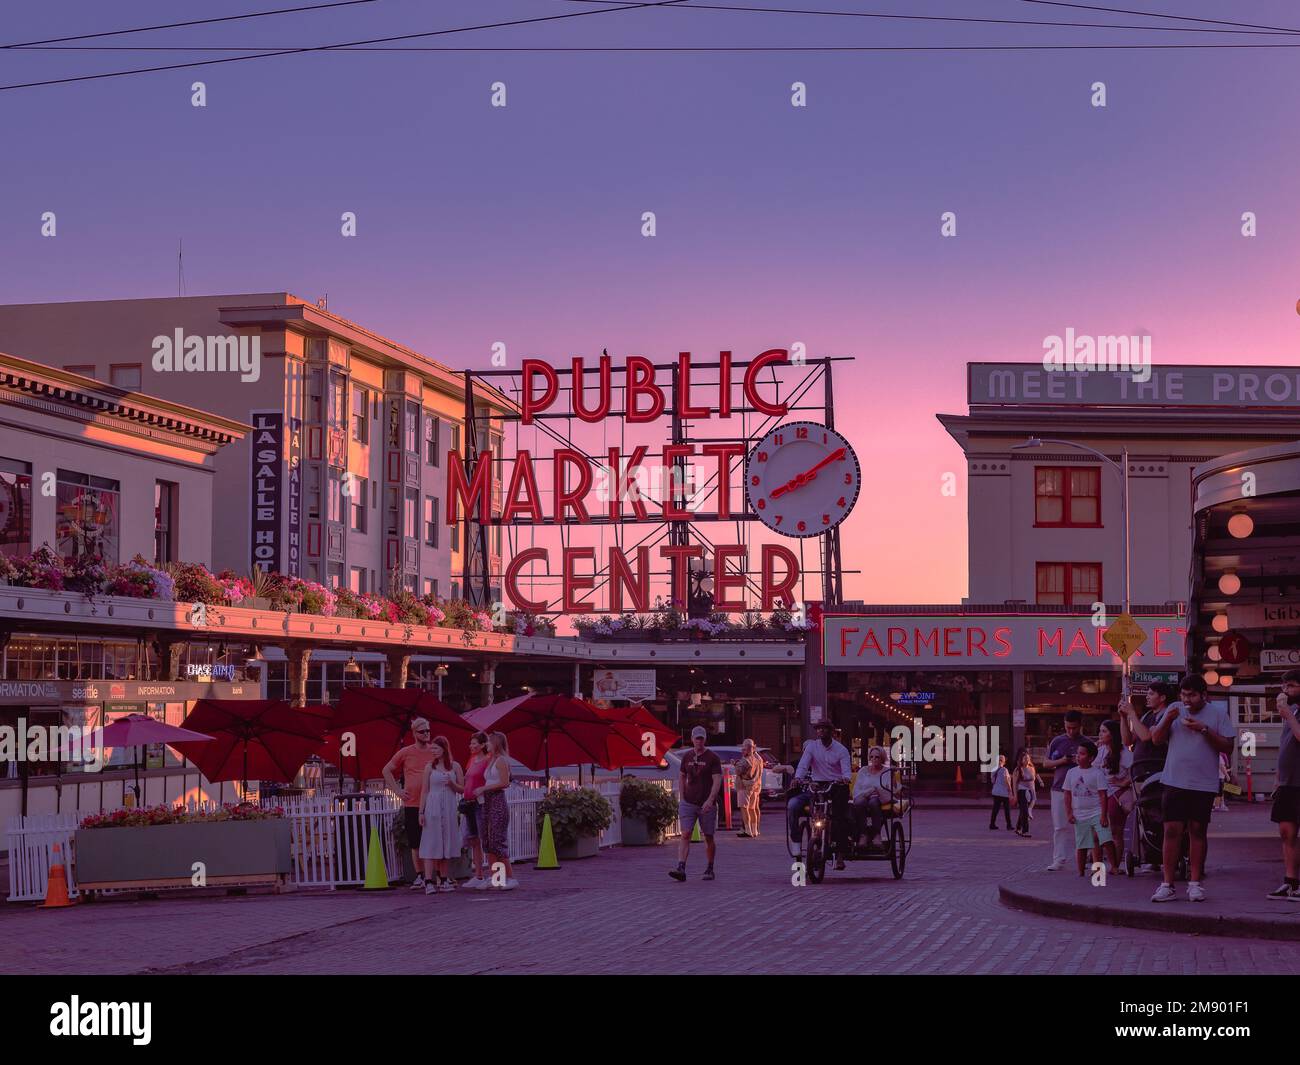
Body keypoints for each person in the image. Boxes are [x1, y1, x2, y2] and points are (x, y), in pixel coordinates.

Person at [1149, 674, 1235, 903]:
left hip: (1203, 783)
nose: (1187, 699)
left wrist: (1204, 730)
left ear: (1203, 695)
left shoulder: (1217, 714)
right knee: (1171, 831)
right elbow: (1155, 739)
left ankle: (1195, 883)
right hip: (1174, 780)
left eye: (1192, 695)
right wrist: (1168, 719)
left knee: (1197, 831)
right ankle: (1167, 883)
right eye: (1184, 694)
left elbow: (1229, 746)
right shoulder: (1175, 709)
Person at [1120, 681, 1177, 871]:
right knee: (1144, 813)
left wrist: (1132, 714)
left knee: (1160, 812)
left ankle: (1164, 854)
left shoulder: (1166, 716)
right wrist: (1123, 717)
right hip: (1141, 773)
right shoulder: (1146, 715)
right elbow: (1129, 740)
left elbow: (1146, 737)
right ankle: (1150, 854)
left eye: (1151, 693)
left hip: (1159, 771)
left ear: (1162, 697)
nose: (1147, 696)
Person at [786, 719, 852, 870]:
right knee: (793, 805)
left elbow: (846, 771)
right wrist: (798, 778)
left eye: (824, 729)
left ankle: (840, 855)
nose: (821, 731)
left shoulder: (841, 750)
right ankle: (796, 842)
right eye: (818, 729)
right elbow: (803, 765)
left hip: (836, 786)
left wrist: (845, 778)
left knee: (839, 817)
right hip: (817, 785)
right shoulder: (812, 747)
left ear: (831, 732)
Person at [382, 717, 437, 889]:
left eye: (428, 730)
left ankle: (436, 875)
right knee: (415, 841)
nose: (427, 734)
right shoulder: (406, 752)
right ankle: (420, 875)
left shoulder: (434, 751)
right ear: (414, 733)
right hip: (412, 802)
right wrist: (397, 791)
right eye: (422, 731)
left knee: (433, 839)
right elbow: (386, 770)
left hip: (431, 801)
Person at [670, 726, 723, 881]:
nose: (699, 741)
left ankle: (709, 867)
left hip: (706, 802)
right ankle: (681, 867)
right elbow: (681, 776)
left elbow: (717, 779)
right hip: (689, 801)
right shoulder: (687, 757)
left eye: (701, 738)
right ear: (692, 739)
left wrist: (711, 799)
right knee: (685, 834)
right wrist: (682, 795)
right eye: (696, 738)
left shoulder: (712, 758)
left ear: (705, 739)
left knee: (708, 836)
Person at [1267, 669, 1300, 900]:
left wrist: (1288, 714)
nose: (1286, 691)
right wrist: (1278, 779)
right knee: (1286, 832)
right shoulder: (1293, 710)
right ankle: (1290, 881)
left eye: (1291, 686)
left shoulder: (1292, 712)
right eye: (1284, 686)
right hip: (1288, 783)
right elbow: (1286, 745)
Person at [417, 736, 465, 894]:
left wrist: (452, 784)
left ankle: (444, 879)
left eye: (436, 748)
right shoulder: (429, 767)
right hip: (433, 806)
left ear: (444, 749)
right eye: (432, 749)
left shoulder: (455, 766)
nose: (433, 751)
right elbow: (425, 790)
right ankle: (428, 880)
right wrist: (421, 811)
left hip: (449, 807)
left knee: (446, 842)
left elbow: (462, 789)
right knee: (431, 842)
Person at [1062, 739, 1114, 875]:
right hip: (1080, 815)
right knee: (1082, 844)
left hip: (1097, 811)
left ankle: (1114, 866)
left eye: (1082, 754)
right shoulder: (1071, 773)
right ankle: (1080, 872)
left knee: (1106, 839)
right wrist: (1069, 813)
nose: (1078, 756)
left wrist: (1103, 815)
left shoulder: (1097, 773)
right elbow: (1067, 794)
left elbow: (1103, 795)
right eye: (1077, 753)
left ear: (1091, 758)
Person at [475, 731, 518, 890]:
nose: (486, 745)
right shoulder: (491, 760)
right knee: (488, 841)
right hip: (488, 802)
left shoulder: (501, 760)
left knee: (498, 841)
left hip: (498, 801)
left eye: (489, 742)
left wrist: (484, 788)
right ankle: (496, 877)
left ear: (496, 743)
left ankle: (511, 877)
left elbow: (504, 782)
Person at [1044, 710, 1084, 870]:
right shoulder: (1057, 741)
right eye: (1068, 728)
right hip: (1059, 788)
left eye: (1074, 728)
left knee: (1082, 825)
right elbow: (1046, 763)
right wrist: (1062, 761)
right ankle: (1059, 859)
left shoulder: (1086, 743)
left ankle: (1084, 857)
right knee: (1059, 826)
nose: (1071, 731)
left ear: (1080, 726)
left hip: (1080, 790)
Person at [1097, 719, 1134, 871]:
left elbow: (1134, 773)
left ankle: (1115, 866)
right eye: (1100, 731)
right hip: (1102, 793)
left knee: (1115, 831)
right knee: (1099, 833)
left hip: (1115, 794)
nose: (1100, 734)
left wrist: (1122, 783)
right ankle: (1104, 865)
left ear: (1113, 734)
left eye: (1104, 731)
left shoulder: (1125, 753)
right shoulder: (1102, 750)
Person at [460, 731, 490, 889]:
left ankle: (494, 875)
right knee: (473, 839)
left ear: (483, 745)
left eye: (475, 743)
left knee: (484, 837)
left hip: (480, 803)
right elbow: (467, 782)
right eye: (470, 743)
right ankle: (478, 874)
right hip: (469, 803)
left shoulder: (487, 761)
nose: (471, 746)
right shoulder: (471, 761)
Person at [852, 746, 893, 847]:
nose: (874, 759)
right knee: (859, 803)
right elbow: (857, 789)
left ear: (882, 758)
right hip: (864, 795)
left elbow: (886, 788)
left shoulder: (886, 771)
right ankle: (863, 834)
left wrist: (875, 790)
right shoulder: (863, 770)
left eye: (877, 757)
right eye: (872, 757)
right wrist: (869, 791)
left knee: (873, 803)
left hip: (879, 797)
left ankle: (876, 834)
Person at [734, 738, 764, 838]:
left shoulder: (746, 760)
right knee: (753, 809)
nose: (743, 751)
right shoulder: (757, 759)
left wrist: (734, 764)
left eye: (743, 749)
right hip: (755, 786)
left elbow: (739, 771)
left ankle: (748, 830)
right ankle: (755, 830)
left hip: (744, 786)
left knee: (745, 808)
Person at [1011, 749, 1038, 837]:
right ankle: (1025, 831)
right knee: (1024, 810)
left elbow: (1033, 781)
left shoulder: (1032, 768)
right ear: (1021, 760)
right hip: (1021, 791)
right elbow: (1014, 784)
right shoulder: (1018, 770)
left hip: (1030, 791)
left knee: (1023, 811)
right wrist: (1015, 796)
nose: (1026, 760)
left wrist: (1033, 791)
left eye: (1028, 758)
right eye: (1024, 759)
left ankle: (1018, 828)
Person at [988, 753, 1013, 830]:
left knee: (995, 809)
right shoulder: (1004, 770)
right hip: (1004, 792)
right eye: (1001, 760)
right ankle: (1009, 825)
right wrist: (1010, 790)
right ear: (1004, 762)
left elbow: (992, 781)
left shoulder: (993, 770)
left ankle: (992, 824)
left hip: (996, 792)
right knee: (1007, 810)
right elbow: (1006, 781)